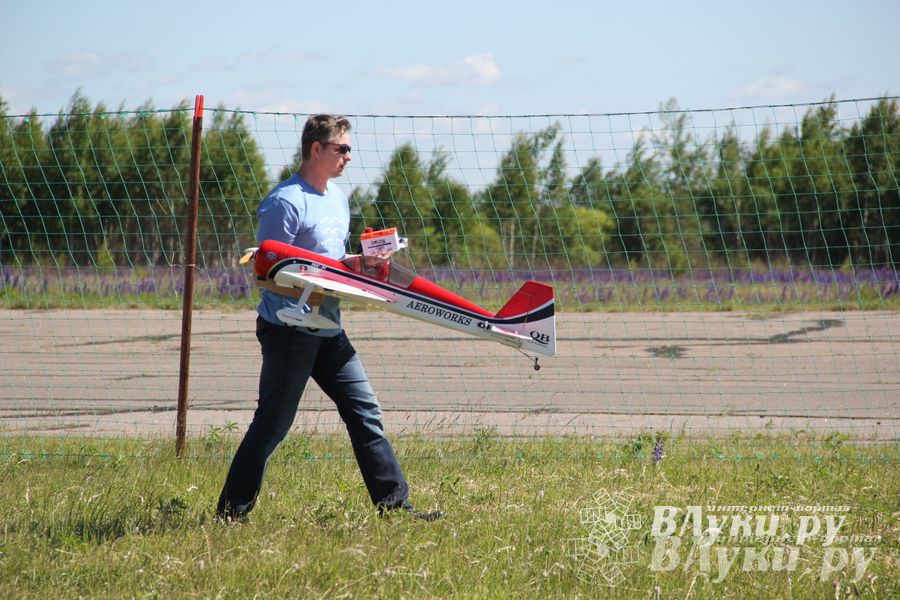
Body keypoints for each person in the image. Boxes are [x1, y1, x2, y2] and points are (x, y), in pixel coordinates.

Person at [216, 114, 442, 522]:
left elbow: (333, 263)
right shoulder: (285, 201)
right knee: (273, 425)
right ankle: (232, 513)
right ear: (316, 149)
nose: (349, 156)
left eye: (349, 149)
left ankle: (395, 507)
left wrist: (363, 264)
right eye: (342, 148)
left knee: (365, 411)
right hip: (289, 328)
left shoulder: (337, 198)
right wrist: (321, 282)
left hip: (328, 328)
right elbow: (268, 271)